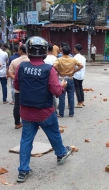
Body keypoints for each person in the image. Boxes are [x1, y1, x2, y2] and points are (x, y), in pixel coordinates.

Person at [13, 36, 72, 183]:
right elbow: (56, 91)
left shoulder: (21, 67)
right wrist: (62, 86)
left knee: (26, 140)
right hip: (45, 112)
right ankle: (61, 153)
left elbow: (16, 86)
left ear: (28, 50)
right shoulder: (49, 69)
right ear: (44, 52)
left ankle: (23, 171)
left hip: (26, 112)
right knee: (54, 134)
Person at [54, 45, 84, 117]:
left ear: (62, 52)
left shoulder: (59, 59)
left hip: (62, 79)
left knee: (62, 97)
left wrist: (59, 72)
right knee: (71, 96)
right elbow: (81, 65)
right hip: (70, 78)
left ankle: (61, 113)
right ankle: (71, 113)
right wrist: (74, 72)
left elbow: (54, 66)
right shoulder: (73, 59)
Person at [8, 45, 30, 129]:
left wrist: (17, 79)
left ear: (20, 51)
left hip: (18, 88)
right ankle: (32, 123)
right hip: (30, 87)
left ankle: (17, 123)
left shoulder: (14, 61)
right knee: (31, 105)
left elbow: (10, 73)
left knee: (17, 106)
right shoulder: (31, 60)